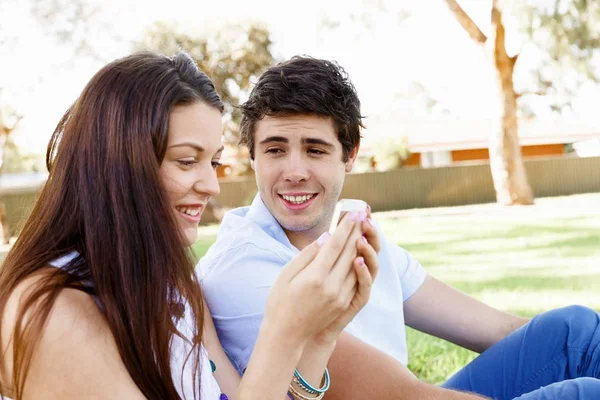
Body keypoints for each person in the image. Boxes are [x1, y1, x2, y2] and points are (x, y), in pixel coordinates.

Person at [197, 56, 600, 399]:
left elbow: (496, 329)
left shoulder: (352, 234)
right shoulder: (242, 269)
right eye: (275, 150)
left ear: (349, 155)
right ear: (252, 156)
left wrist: (559, 359)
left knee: (573, 332)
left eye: (315, 150)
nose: (295, 172)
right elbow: (403, 396)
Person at [0, 51, 380, 400]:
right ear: (116, 164)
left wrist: (318, 336)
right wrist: (282, 332)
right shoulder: (51, 312)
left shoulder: (175, 288)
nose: (211, 186)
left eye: (212, 163)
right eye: (186, 161)